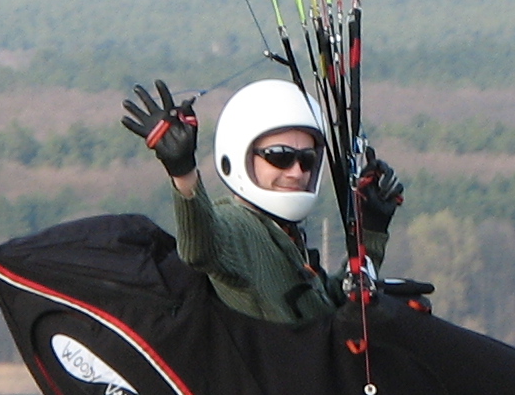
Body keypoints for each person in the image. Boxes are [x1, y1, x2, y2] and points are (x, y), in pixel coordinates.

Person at [122, 78, 403, 324]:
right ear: (241, 156)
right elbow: (201, 248)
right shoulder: (238, 225)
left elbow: (326, 306)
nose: (296, 172)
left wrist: (371, 231)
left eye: (307, 159)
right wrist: (183, 172)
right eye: (279, 156)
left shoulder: (286, 235)